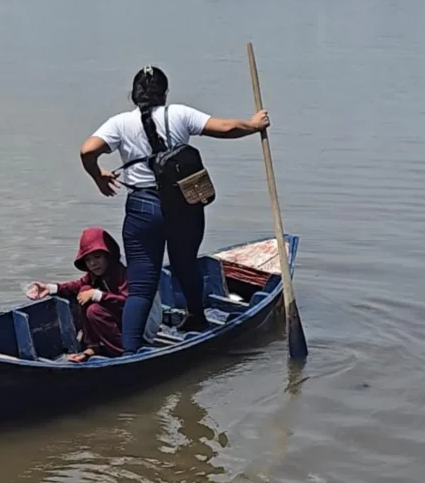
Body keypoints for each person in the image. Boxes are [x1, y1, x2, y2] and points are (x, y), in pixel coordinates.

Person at [79, 65, 270, 354]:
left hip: (142, 208)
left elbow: (87, 150)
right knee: (185, 265)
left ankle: (129, 352)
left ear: (133, 95)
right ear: (165, 93)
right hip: (183, 206)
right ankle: (196, 319)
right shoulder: (179, 114)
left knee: (141, 286)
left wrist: (97, 175)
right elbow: (227, 128)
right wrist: (255, 124)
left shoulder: (119, 123)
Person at [26, 227, 127, 362]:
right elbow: (77, 285)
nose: (93, 263)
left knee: (94, 310)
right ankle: (94, 346)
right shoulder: (94, 275)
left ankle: (122, 352)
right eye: (88, 260)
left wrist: (97, 294)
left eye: (97, 257)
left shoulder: (123, 271)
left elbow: (129, 301)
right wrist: (50, 288)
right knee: (85, 290)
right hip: (117, 320)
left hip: (137, 322)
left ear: (108, 255)